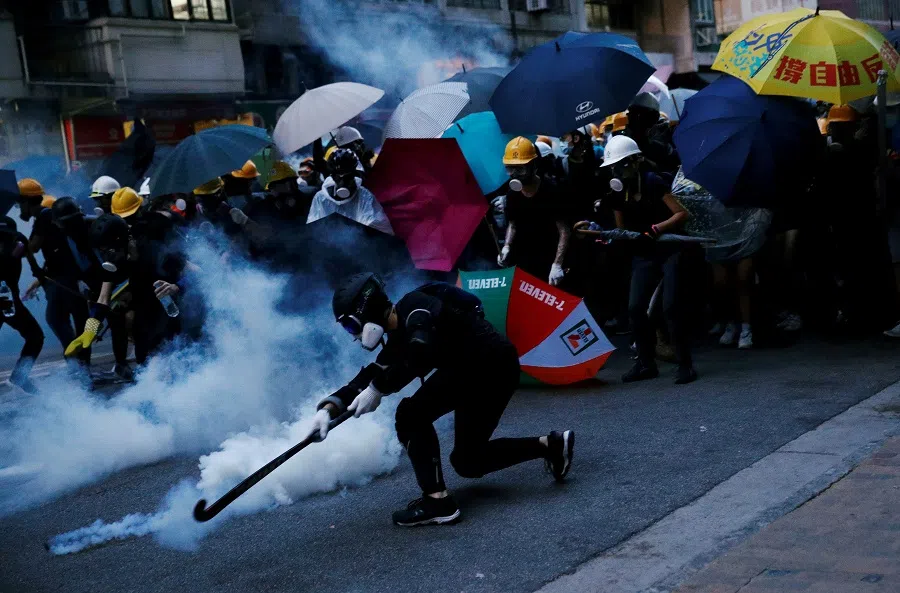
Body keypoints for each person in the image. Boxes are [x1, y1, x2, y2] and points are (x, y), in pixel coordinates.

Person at [307, 273, 575, 526]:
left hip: (487, 368)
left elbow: (419, 350)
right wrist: (328, 410)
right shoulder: (399, 334)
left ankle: (438, 503)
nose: (353, 334)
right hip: (485, 370)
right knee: (468, 461)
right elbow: (371, 374)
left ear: (367, 310)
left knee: (410, 415)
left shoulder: (416, 306)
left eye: (351, 324)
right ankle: (550, 445)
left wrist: (378, 388)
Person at [601, 135, 696, 384]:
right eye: (613, 167)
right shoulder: (616, 194)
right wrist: (601, 232)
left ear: (634, 162)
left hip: (671, 249)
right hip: (644, 254)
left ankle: (686, 364)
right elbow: (622, 230)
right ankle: (646, 363)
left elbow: (681, 214)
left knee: (671, 307)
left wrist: (657, 229)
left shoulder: (653, 182)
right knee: (635, 308)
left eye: (621, 165)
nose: (617, 171)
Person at [23, 197, 101, 375]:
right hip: (80, 282)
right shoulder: (65, 233)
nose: (59, 227)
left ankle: (82, 365)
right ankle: (80, 363)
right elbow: (58, 260)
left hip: (91, 282)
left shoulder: (88, 228)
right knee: (68, 319)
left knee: (84, 321)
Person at [498, 137, 571, 287]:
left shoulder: (551, 191)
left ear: (533, 165)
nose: (515, 174)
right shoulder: (512, 194)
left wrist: (557, 264)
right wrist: (506, 247)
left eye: (521, 169)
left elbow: (564, 230)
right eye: (510, 168)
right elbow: (513, 224)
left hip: (548, 259)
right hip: (523, 260)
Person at [0, 216, 44, 393]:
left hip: (10, 300)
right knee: (35, 336)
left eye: (5, 236)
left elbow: (32, 263)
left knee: (35, 336)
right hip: (5, 301)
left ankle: (20, 375)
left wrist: (39, 276)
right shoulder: (11, 250)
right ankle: (19, 376)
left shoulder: (17, 245)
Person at [308, 149, 393, 235]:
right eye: (337, 175)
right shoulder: (321, 198)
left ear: (354, 173)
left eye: (348, 175)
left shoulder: (364, 196)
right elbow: (314, 229)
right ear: (332, 175)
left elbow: (381, 227)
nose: (342, 180)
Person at [624, 92, 680, 176]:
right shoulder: (627, 134)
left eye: (638, 115)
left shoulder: (662, 132)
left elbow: (663, 155)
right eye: (632, 114)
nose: (634, 119)